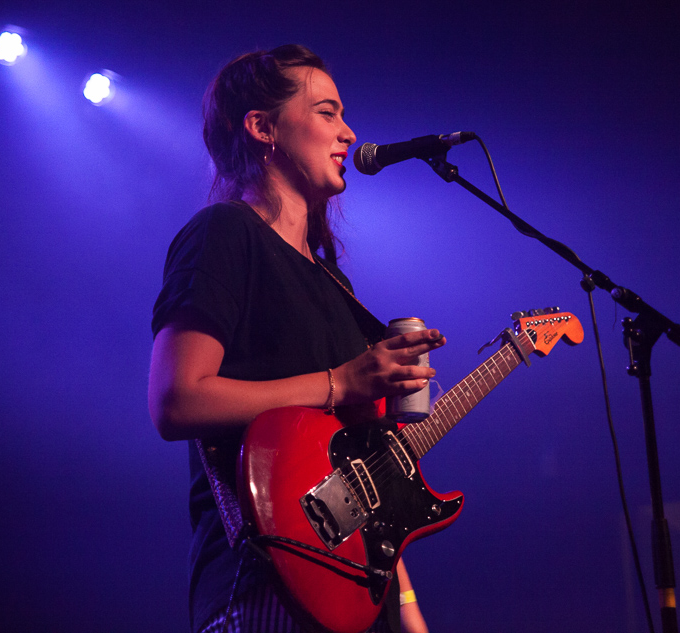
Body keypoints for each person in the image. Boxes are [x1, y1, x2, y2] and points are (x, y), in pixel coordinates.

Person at [148, 45, 441, 633]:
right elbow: (176, 399)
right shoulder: (226, 233)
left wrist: (409, 613)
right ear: (263, 128)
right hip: (263, 582)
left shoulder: (334, 283)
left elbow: (366, 481)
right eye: (327, 112)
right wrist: (341, 382)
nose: (349, 132)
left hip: (359, 594)